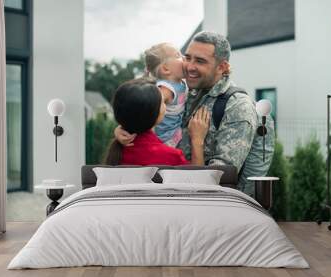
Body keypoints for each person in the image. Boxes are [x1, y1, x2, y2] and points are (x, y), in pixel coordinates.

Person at [116, 31, 275, 195]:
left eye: (200, 61)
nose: (189, 66)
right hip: (172, 196)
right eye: (187, 57)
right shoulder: (187, 89)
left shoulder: (237, 107)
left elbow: (219, 179)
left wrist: (196, 141)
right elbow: (145, 106)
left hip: (210, 208)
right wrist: (126, 127)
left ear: (222, 67)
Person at [105, 77, 210, 166]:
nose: (166, 105)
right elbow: (197, 182)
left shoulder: (119, 150)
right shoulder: (170, 156)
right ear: (154, 113)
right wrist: (197, 141)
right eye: (162, 102)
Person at [143, 43, 187, 147]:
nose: (184, 57)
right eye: (178, 55)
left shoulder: (182, 82)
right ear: (166, 69)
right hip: (166, 139)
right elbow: (146, 108)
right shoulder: (165, 89)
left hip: (176, 134)